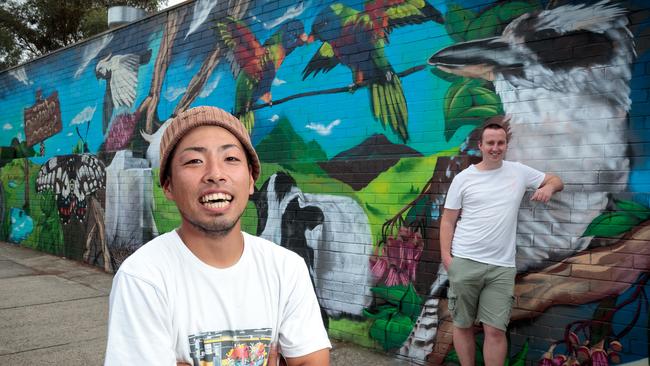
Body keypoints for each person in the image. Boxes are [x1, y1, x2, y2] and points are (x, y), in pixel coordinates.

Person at [105, 106, 331, 365]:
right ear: (168, 185)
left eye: (231, 159)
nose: (215, 174)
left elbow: (311, 360)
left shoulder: (286, 268)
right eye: (194, 161)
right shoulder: (144, 278)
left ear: (250, 181)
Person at [440, 122, 564, 366]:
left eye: (500, 143)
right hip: (465, 262)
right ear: (481, 146)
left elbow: (556, 180)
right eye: (490, 143)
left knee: (495, 331)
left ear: (506, 145)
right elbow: (448, 220)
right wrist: (448, 259)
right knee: (463, 325)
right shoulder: (464, 178)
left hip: (501, 268)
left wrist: (549, 187)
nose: (495, 148)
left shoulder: (518, 171)